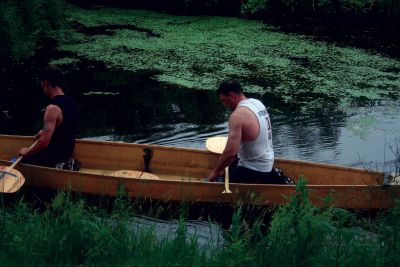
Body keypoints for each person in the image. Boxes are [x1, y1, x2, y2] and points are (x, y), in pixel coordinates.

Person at [208, 80, 277, 184]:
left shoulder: (237, 116)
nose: (224, 105)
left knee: (220, 184)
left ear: (231, 95)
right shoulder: (257, 103)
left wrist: (216, 171)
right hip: (267, 163)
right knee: (227, 170)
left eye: (224, 100)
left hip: (255, 170)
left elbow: (231, 152)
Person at [18, 65, 78, 167]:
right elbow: (65, 129)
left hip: (54, 158)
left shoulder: (52, 108)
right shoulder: (72, 102)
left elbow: (44, 142)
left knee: (21, 159)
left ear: (45, 83)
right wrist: (44, 131)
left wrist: (27, 152)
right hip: (67, 154)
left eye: (42, 84)